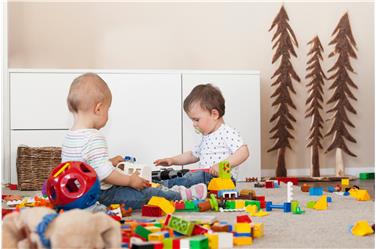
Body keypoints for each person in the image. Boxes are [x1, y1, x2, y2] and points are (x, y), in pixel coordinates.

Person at [61, 73, 207, 209]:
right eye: (107, 109)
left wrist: (109, 162)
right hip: (101, 195)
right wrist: (130, 180)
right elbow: (106, 175)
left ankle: (170, 188)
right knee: (143, 193)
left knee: (141, 182)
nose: (107, 114)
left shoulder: (70, 136)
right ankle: (180, 195)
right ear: (98, 109)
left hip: (77, 195)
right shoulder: (94, 137)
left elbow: (83, 168)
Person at [154, 83, 249, 188]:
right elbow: (193, 155)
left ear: (214, 114)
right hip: (206, 178)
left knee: (193, 177)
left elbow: (243, 152)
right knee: (189, 175)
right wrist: (172, 160)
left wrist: (221, 166)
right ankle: (175, 186)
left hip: (222, 179)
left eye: (196, 119)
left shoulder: (226, 132)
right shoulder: (207, 137)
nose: (194, 124)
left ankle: (165, 186)